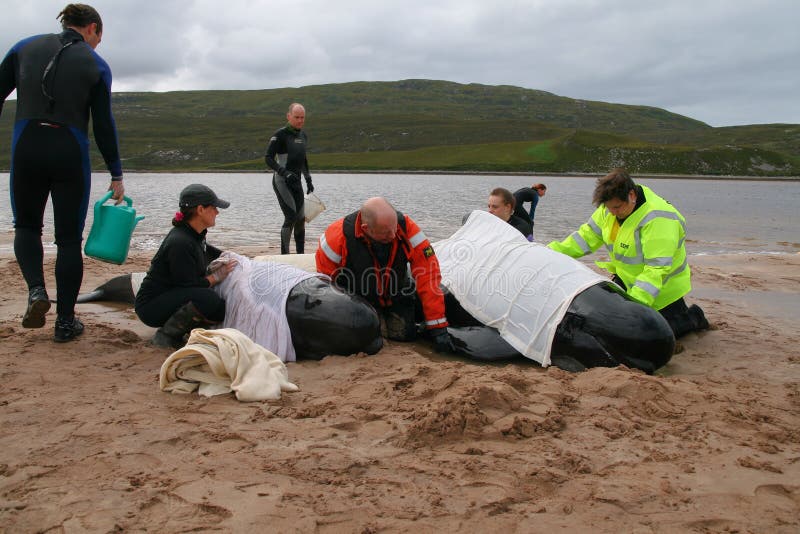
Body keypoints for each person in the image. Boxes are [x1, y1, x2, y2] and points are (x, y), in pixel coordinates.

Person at [1, 4, 125, 342]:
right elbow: (103, 124)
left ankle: (37, 291)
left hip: (27, 147)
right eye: (99, 37)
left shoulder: (24, 47)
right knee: (69, 240)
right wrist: (116, 173)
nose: (97, 44)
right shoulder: (96, 64)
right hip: (69, 153)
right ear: (92, 29)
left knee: (27, 226)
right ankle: (65, 323)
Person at [548, 168, 709, 339]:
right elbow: (584, 238)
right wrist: (549, 252)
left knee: (655, 335)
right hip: (626, 280)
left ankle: (694, 317)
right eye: (608, 208)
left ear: (632, 195)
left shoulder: (658, 219)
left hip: (662, 290)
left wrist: (635, 308)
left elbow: (656, 270)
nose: (612, 212)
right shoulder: (609, 208)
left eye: (616, 207)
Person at [315, 197, 454, 352]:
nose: (394, 235)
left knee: (405, 334)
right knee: (364, 336)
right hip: (357, 299)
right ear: (366, 228)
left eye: (394, 228)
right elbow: (325, 286)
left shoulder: (407, 228)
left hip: (395, 293)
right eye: (386, 233)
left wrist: (438, 328)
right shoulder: (336, 238)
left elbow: (429, 276)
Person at [135, 184, 237, 348]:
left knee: (217, 307)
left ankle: (189, 329)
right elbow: (188, 284)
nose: (217, 212)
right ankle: (166, 336)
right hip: (151, 306)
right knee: (209, 300)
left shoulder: (194, 234)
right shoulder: (180, 242)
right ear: (200, 210)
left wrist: (231, 257)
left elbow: (205, 251)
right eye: (214, 208)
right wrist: (216, 277)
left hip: (172, 294)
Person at [265, 103, 314, 254]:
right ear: (288, 116)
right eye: (297, 117)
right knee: (291, 216)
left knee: (301, 219)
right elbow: (268, 158)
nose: (300, 121)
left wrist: (308, 179)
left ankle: (300, 255)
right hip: (282, 181)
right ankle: (284, 255)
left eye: (302, 118)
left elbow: (302, 159)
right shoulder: (280, 135)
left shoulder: (303, 136)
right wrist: (284, 172)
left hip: (296, 182)